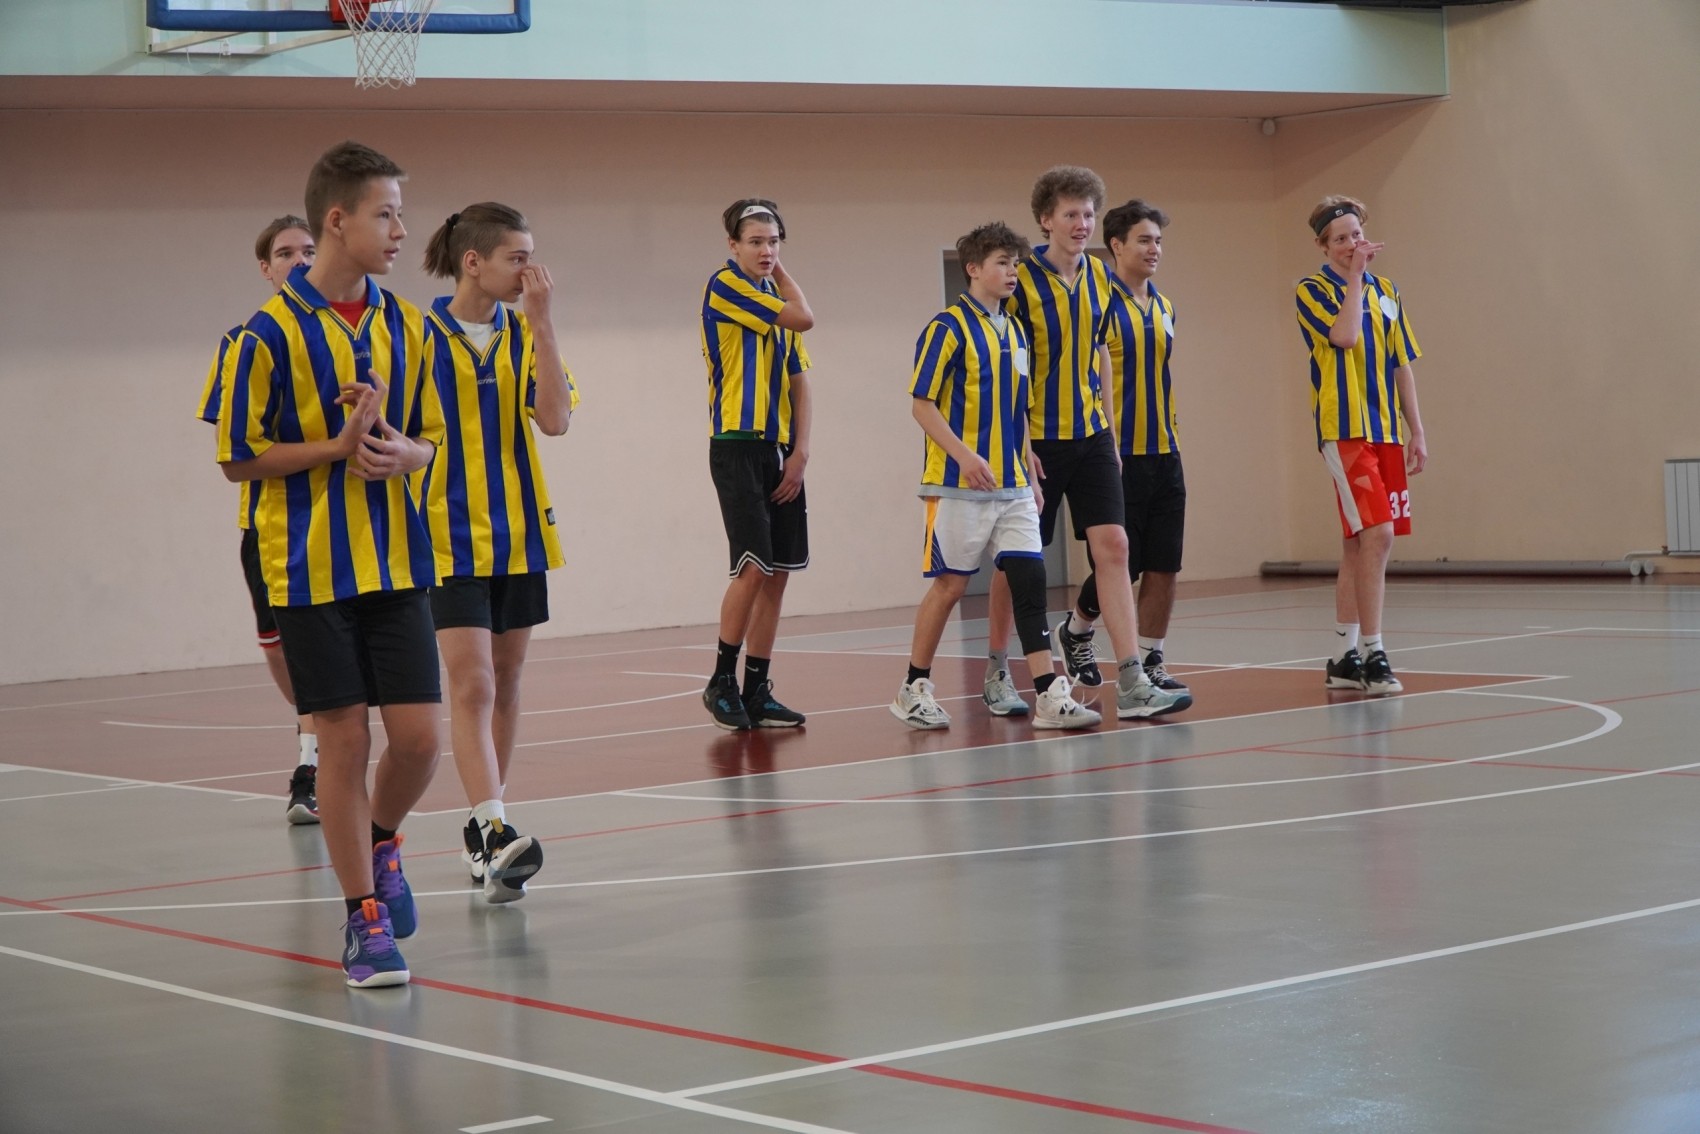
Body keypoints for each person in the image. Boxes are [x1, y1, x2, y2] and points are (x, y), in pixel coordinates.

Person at [217, 141, 443, 987]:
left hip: (397, 564)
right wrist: (334, 447)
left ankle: (381, 840)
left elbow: (433, 439)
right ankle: (364, 920)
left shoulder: (407, 326)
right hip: (308, 571)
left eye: (401, 213)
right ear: (338, 220)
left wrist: (406, 453)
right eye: (387, 214)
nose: (401, 231)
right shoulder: (263, 337)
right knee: (344, 740)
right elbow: (238, 458)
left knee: (419, 741)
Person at [984, 167, 1187, 722]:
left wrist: (1111, 432)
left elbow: (1100, 351)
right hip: (1038, 440)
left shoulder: (1099, 275)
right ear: (1045, 220)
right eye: (1071, 214)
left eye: (1089, 214)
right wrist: (1018, 441)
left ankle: (1133, 680)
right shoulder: (1023, 280)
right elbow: (1007, 364)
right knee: (1016, 561)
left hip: (1092, 434)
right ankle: (997, 668)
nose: (1082, 223)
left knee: (1116, 546)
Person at [421, 202, 576, 904]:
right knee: (474, 685)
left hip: (521, 535)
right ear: (473, 261)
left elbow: (555, 420)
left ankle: (487, 827)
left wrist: (543, 323)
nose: (529, 271)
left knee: (507, 683)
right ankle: (493, 826)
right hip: (444, 538)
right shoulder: (416, 335)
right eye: (518, 258)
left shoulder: (524, 332)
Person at [892, 222, 1100, 732]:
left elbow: (1019, 408)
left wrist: (1028, 465)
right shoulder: (947, 328)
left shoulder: (1015, 330)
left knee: (1029, 581)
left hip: (1013, 487)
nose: (1012, 272)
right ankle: (913, 687)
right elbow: (922, 405)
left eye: (1016, 263)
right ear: (973, 268)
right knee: (951, 586)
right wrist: (964, 456)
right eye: (1003, 263)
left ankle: (1048, 693)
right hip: (958, 484)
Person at [196, 216, 321, 823]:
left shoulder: (358, 334)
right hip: (269, 524)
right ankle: (316, 736)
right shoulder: (244, 343)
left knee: (327, 649)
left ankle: (312, 765)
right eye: (286, 253)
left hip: (342, 521)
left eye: (309, 250)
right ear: (266, 269)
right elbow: (236, 446)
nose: (300, 260)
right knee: (278, 648)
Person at [1295, 195, 1427, 695]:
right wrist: (1354, 280)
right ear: (1323, 246)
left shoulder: (1388, 291)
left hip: (1385, 430)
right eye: (1340, 238)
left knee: (1359, 543)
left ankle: (1342, 656)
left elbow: (1401, 364)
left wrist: (1417, 430)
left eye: (1356, 234)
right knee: (1379, 534)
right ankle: (1374, 653)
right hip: (1345, 430)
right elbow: (1345, 337)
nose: (1352, 244)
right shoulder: (1312, 290)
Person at [699, 198, 815, 731]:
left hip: (777, 449)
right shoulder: (727, 286)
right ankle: (721, 680)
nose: (767, 250)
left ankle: (757, 687)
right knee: (753, 567)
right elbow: (805, 318)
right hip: (736, 446)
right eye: (756, 242)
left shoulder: (772, 297)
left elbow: (799, 381)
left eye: (774, 242)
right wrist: (783, 274)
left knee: (778, 574)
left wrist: (800, 453)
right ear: (733, 245)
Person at [1092, 198, 1191, 697]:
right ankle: (1078, 627)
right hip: (1117, 451)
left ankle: (1152, 658)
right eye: (1144, 240)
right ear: (1116, 245)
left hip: (1165, 448)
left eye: (1159, 241)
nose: (1155, 249)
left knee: (1164, 562)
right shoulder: (1098, 304)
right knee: (1122, 562)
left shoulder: (1165, 305)